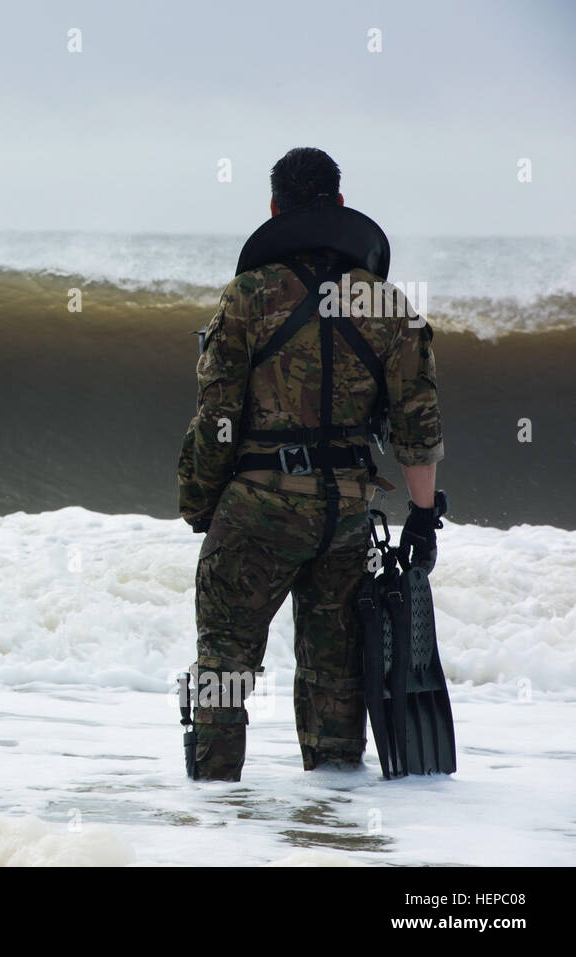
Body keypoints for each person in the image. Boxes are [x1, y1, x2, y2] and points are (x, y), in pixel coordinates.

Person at [176, 146, 444, 780]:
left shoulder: (245, 298)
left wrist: (198, 502)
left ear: (274, 208)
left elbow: (217, 421)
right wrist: (425, 519)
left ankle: (213, 813)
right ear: (341, 204)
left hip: (259, 508)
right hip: (347, 514)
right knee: (337, 678)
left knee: (223, 664)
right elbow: (418, 429)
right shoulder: (387, 306)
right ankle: (332, 827)